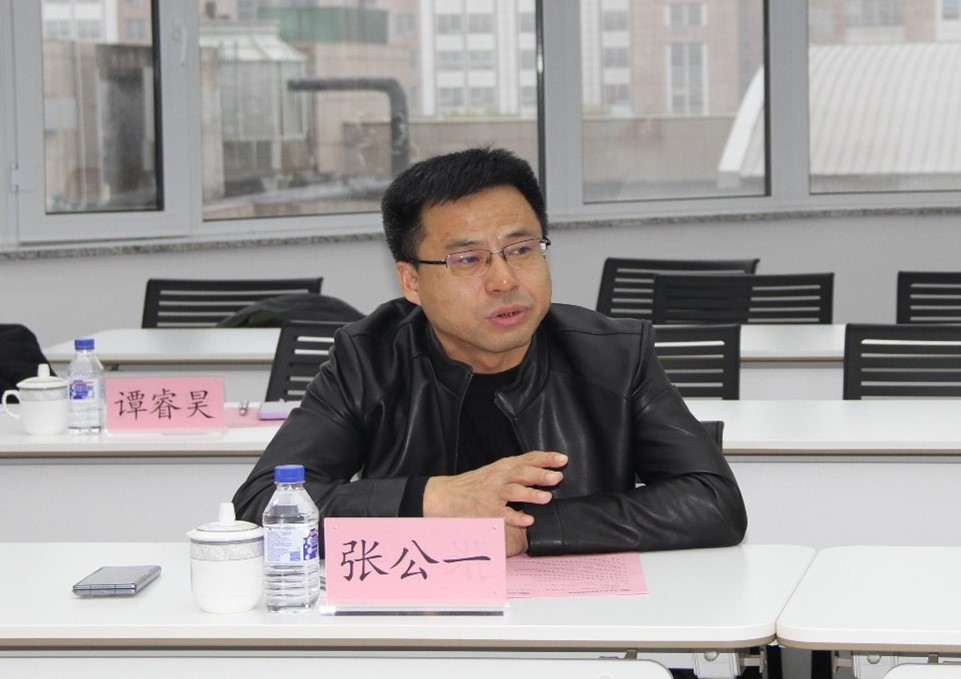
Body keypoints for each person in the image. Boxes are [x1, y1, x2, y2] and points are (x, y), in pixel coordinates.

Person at [232, 147, 747, 557]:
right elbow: (262, 506)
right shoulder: (368, 358)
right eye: (467, 259)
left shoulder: (613, 354)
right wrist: (438, 498)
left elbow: (712, 502)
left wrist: (530, 531)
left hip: (580, 622)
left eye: (521, 250)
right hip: (423, 622)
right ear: (412, 281)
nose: (504, 280)